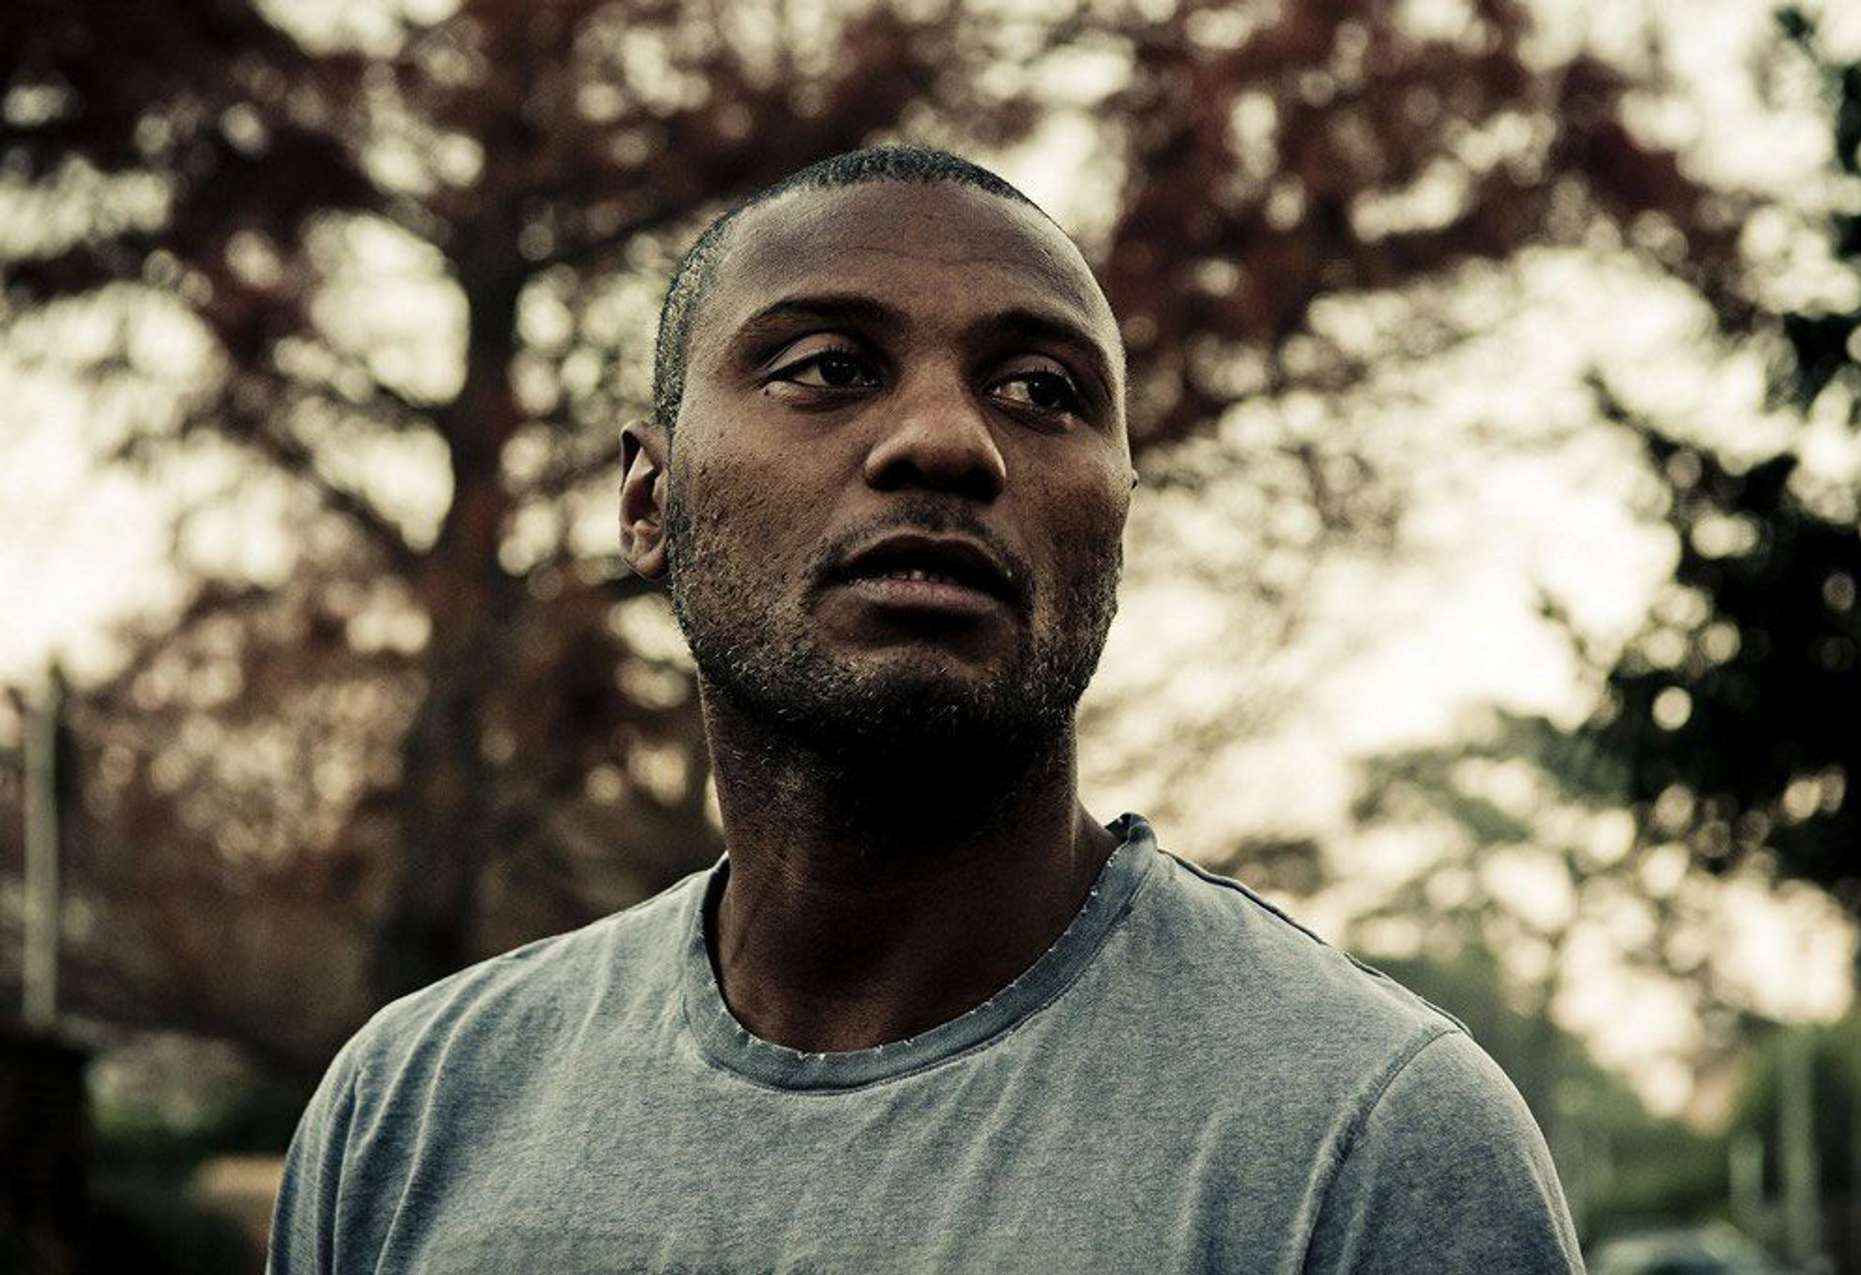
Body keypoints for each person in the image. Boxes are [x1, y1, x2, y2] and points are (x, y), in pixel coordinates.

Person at [268, 145, 1584, 1274]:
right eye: (830, 366)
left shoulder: (1369, 1142)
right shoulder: (415, 1112)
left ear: (1120, 520)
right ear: (648, 501)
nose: (950, 442)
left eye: (1043, 392)